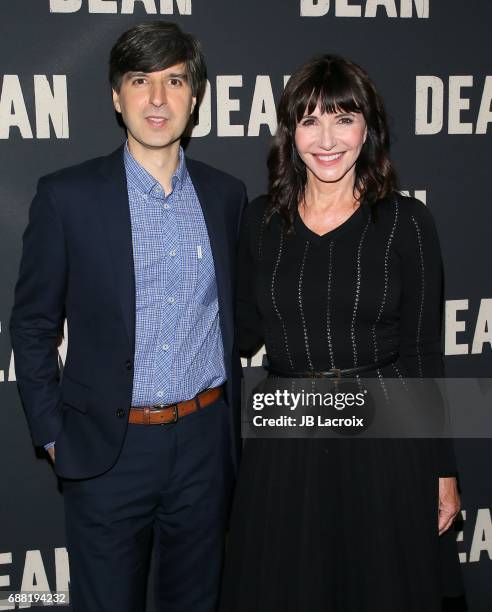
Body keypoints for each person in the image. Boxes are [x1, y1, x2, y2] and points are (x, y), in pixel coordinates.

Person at [10, 21, 246, 612]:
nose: (158, 98)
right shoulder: (67, 197)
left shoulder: (227, 195)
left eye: (174, 80)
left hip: (203, 444)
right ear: (117, 97)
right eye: (141, 81)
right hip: (107, 451)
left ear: (195, 98)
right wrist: (53, 436)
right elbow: (33, 324)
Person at [220, 55, 463, 612]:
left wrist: (443, 468)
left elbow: (424, 355)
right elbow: (236, 330)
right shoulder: (260, 222)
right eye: (310, 120)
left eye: (343, 118)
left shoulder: (406, 222)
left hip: (384, 439)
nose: (327, 138)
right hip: (284, 438)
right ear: (290, 133)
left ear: (368, 129)